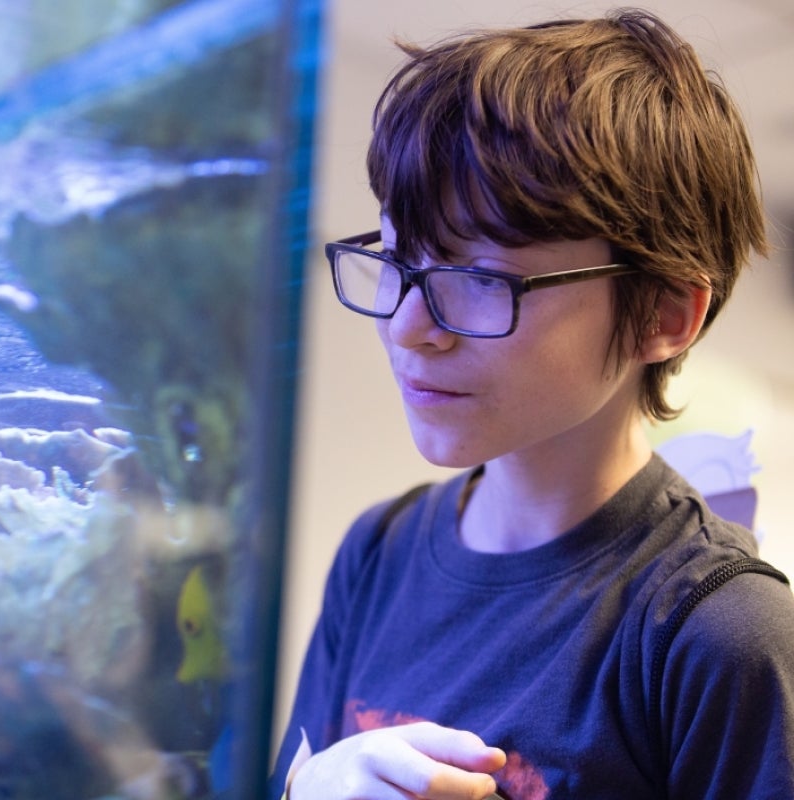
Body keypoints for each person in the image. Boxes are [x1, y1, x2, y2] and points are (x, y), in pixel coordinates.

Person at [272, 8, 794, 800]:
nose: (409, 328)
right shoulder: (378, 553)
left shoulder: (716, 631)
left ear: (662, 315)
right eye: (397, 259)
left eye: (481, 279)